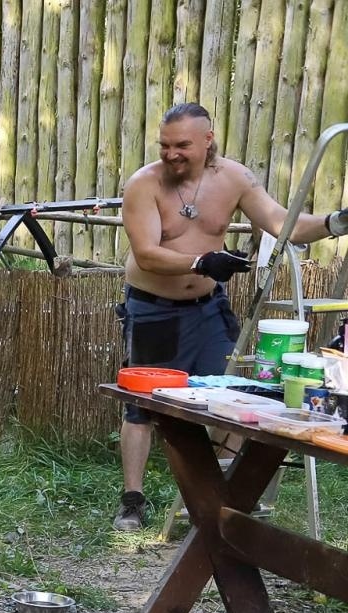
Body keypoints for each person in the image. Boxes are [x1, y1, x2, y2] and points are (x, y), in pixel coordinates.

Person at [114, 102, 348, 531]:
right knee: (142, 407)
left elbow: (286, 224)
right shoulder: (143, 184)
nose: (171, 154)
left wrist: (335, 222)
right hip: (152, 309)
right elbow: (146, 255)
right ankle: (132, 499)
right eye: (164, 145)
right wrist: (203, 261)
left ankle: (218, 498)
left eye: (181, 144)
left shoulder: (234, 179)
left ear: (208, 139)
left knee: (231, 399)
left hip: (207, 311)